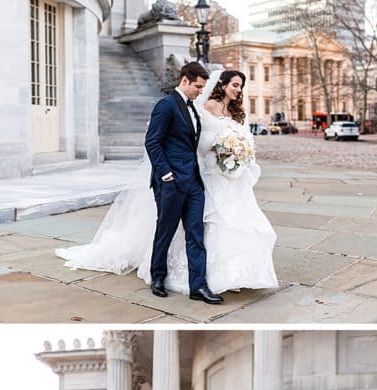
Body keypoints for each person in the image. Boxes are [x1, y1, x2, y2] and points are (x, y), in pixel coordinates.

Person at [55, 67, 277, 300]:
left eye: (203, 87)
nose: (201, 92)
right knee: (165, 231)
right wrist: (165, 174)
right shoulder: (166, 105)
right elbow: (152, 142)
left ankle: (198, 287)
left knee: (195, 234)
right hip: (171, 182)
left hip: (195, 182)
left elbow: (197, 144)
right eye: (198, 87)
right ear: (184, 80)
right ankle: (157, 276)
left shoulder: (194, 109)